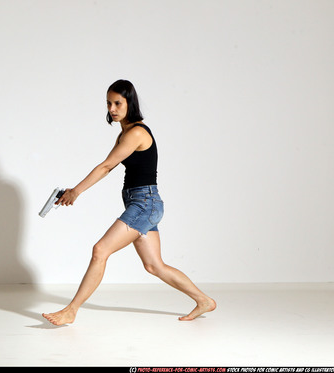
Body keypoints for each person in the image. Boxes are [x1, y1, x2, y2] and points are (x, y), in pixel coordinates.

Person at [42, 80, 216, 326]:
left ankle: (71, 310)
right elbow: (108, 166)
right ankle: (204, 300)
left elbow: (105, 166)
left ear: (129, 103)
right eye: (109, 103)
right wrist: (73, 191)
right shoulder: (125, 132)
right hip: (143, 203)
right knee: (154, 266)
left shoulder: (136, 132)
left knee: (100, 250)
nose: (112, 109)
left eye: (117, 103)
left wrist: (76, 192)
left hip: (145, 203)